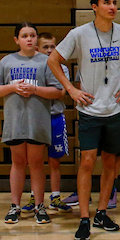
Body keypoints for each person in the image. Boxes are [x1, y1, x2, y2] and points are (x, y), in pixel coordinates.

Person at [48, 0, 120, 240]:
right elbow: (53, 60)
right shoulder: (79, 34)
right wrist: (70, 89)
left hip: (114, 108)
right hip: (89, 109)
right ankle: (84, 218)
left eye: (114, 2)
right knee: (88, 161)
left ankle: (101, 212)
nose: (112, 7)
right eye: (106, 3)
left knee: (111, 163)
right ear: (94, 7)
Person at [0, 23, 64, 226]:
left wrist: (35, 89)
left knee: (35, 162)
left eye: (32, 35)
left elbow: (58, 91)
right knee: (17, 162)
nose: (29, 39)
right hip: (15, 120)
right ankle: (14, 206)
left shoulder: (47, 61)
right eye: (24, 36)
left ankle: (39, 206)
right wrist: (13, 87)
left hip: (38, 121)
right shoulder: (6, 61)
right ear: (16, 39)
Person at [29, 32, 70, 214]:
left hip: (54, 116)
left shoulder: (62, 68)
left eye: (53, 47)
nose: (50, 50)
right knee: (34, 161)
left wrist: (36, 90)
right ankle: (34, 196)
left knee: (55, 161)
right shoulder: (32, 67)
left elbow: (60, 93)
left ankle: (55, 196)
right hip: (36, 119)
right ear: (37, 49)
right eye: (45, 47)